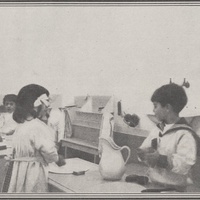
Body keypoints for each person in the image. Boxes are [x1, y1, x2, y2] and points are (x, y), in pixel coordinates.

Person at [138, 83, 197, 192]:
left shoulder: (185, 134)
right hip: (154, 184)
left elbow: (185, 163)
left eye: (155, 106)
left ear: (167, 108)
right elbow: (145, 147)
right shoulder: (157, 130)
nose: (153, 110)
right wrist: (143, 153)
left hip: (173, 189)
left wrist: (160, 160)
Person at [6, 84, 61, 193]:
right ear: (36, 106)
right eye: (45, 103)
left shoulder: (21, 126)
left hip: (19, 171)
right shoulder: (38, 126)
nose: (47, 108)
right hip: (33, 172)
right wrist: (58, 159)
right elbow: (49, 151)